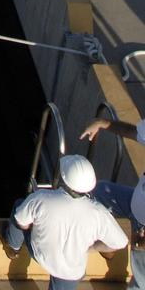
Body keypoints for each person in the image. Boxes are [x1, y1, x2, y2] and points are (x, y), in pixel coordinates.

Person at [4, 154, 127, 290]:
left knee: (19, 205)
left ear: (65, 179)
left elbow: (22, 222)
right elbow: (119, 243)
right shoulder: (99, 213)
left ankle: (13, 249)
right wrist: (91, 248)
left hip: (41, 254)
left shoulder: (40, 198)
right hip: (70, 271)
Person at [81, 114, 145, 289]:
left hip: (143, 228)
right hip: (134, 202)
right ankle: (109, 246)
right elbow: (132, 131)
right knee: (98, 192)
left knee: (140, 282)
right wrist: (103, 124)